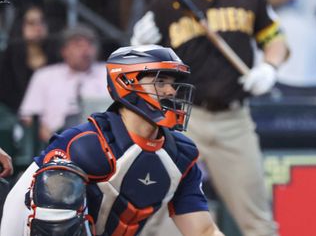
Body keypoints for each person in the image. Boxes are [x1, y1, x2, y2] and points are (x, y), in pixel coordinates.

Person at [130, 0, 287, 236]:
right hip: (183, 120)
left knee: (258, 221)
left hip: (234, 121)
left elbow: (277, 40)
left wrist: (269, 68)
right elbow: (146, 76)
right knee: (159, 216)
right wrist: (140, 49)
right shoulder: (165, 2)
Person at [0, 44, 224, 236]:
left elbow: (203, 230)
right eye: (160, 81)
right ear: (125, 82)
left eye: (173, 83)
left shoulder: (180, 155)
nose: (171, 91)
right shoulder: (84, 143)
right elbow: (20, 206)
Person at [18, 24, 109, 142]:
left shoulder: (108, 72)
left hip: (102, 142)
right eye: (78, 45)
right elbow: (28, 116)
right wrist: (42, 131)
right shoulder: (44, 76)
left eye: (90, 44)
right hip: (53, 144)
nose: (85, 49)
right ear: (64, 51)